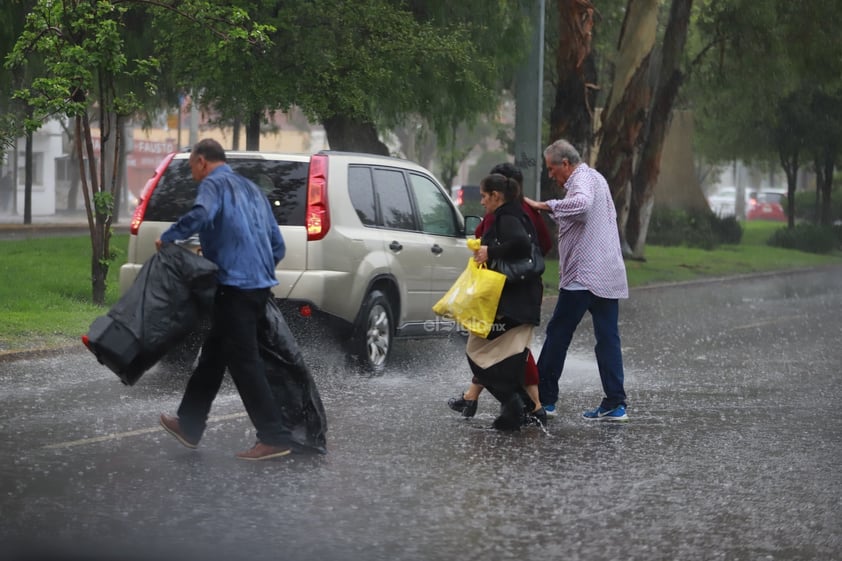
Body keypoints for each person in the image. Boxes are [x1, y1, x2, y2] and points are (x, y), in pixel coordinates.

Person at [156, 138, 295, 460]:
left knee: (244, 362)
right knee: (213, 357)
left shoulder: (214, 184)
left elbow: (202, 213)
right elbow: (278, 245)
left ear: (202, 161)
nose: (193, 174)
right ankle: (189, 425)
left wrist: (169, 237)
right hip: (255, 287)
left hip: (235, 288)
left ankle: (274, 436)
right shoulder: (251, 189)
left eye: (192, 166)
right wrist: (257, 271)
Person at [524, 139, 629, 422]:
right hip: (607, 274)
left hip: (584, 276)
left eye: (551, 169)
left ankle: (544, 400)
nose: (550, 175)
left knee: (558, 335)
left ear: (566, 164)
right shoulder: (596, 178)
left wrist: (543, 206)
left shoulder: (582, 179)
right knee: (608, 339)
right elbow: (583, 215)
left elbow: (581, 206)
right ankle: (615, 404)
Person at [447, 163, 551, 423]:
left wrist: (490, 251)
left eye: (484, 196)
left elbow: (519, 242)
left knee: (484, 351)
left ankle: (517, 405)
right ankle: (525, 408)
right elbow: (543, 244)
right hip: (523, 296)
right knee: (512, 355)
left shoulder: (505, 215)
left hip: (511, 298)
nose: (481, 202)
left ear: (497, 193)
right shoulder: (523, 211)